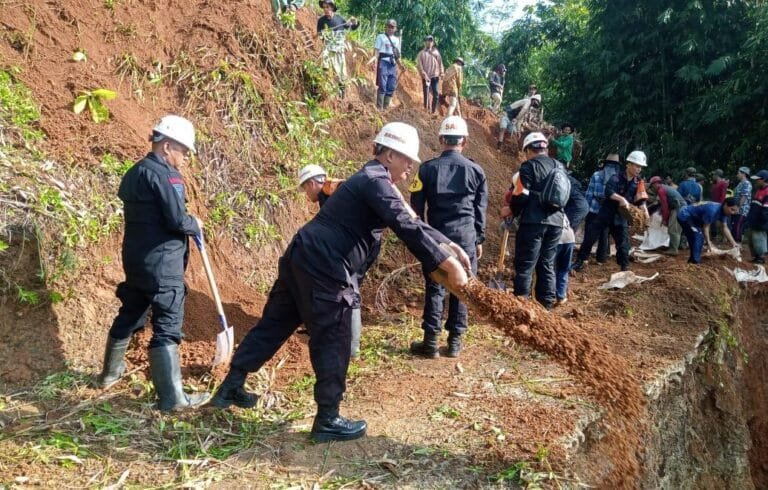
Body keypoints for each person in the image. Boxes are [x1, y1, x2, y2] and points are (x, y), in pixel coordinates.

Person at [212, 122, 470, 443]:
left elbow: (411, 218)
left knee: (275, 324)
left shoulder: (371, 179)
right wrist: (449, 268)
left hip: (302, 255)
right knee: (335, 334)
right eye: (407, 160)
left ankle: (230, 387)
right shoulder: (375, 181)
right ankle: (328, 419)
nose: (410, 169)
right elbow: (405, 224)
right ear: (389, 154)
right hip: (325, 266)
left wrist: (446, 245)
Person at [95, 115, 209, 411]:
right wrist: (193, 223)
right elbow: (175, 219)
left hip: (136, 261)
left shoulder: (134, 173)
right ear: (167, 145)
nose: (184, 159)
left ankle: (109, 374)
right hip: (162, 265)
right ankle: (173, 400)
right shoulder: (166, 176)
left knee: (130, 313)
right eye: (183, 152)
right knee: (167, 326)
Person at [409, 116, 488, 358]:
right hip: (466, 237)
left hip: (436, 238)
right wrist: (479, 239)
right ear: (464, 140)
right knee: (463, 287)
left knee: (435, 287)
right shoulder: (477, 170)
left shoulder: (426, 169)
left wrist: (419, 237)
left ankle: (430, 342)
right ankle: (454, 343)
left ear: (441, 139)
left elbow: (416, 208)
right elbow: (480, 209)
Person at [297, 164, 367, 358]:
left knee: (350, 291)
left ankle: (352, 349)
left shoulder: (331, 192)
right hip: (354, 243)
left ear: (312, 183)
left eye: (304, 188)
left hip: (354, 247)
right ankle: (320, 328)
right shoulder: (331, 192)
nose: (305, 193)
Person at [504, 132, 565, 309]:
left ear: (529, 150)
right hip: (556, 222)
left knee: (525, 264)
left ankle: (521, 305)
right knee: (547, 263)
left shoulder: (528, 166)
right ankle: (546, 306)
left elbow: (521, 195)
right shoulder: (559, 166)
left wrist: (511, 210)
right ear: (544, 148)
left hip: (533, 222)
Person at [574, 150, 649, 272]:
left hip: (620, 216)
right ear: (628, 164)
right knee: (590, 237)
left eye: (640, 167)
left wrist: (644, 208)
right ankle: (580, 261)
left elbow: (641, 199)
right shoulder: (616, 178)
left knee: (623, 243)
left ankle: (624, 267)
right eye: (636, 165)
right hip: (606, 213)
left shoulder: (638, 182)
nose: (638, 169)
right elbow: (608, 192)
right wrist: (621, 199)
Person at [555, 174, 589, 306]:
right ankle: (561, 296)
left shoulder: (550, 202)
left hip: (557, 236)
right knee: (563, 267)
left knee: (550, 266)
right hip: (569, 237)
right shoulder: (568, 183)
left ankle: (549, 295)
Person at [583, 154, 621, 264]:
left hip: (594, 209)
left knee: (589, 233)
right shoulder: (618, 178)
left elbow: (589, 194)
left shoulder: (596, 175)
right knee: (604, 235)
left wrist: (586, 208)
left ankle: (584, 257)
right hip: (608, 211)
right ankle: (601, 259)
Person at [317, 0, 358, 99]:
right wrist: (322, 34)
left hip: (339, 50)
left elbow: (351, 27)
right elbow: (319, 35)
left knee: (341, 75)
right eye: (324, 7)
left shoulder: (339, 19)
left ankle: (341, 97)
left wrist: (355, 22)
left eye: (327, 7)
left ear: (332, 7)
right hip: (328, 48)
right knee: (325, 68)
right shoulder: (321, 21)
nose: (325, 10)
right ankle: (324, 91)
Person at [677, 198, 740, 264]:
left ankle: (693, 260)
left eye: (734, 211)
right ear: (725, 205)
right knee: (697, 236)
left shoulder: (724, 212)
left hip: (695, 219)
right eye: (732, 209)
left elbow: (725, 227)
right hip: (685, 214)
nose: (732, 213)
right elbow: (706, 227)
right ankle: (694, 262)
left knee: (698, 237)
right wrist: (709, 243)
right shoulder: (713, 210)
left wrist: (733, 243)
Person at [649, 176, 687, 256]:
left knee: (674, 229)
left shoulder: (661, 190)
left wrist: (664, 219)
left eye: (652, 186)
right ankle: (672, 246)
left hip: (679, 208)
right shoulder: (665, 188)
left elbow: (665, 206)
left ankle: (673, 250)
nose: (652, 189)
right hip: (678, 207)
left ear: (656, 184)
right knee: (674, 229)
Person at [370, 19, 402, 110]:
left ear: (395, 29)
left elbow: (397, 54)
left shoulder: (396, 40)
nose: (390, 28)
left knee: (391, 86)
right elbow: (376, 51)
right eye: (388, 26)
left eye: (392, 27)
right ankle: (379, 108)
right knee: (382, 85)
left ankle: (386, 108)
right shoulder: (381, 37)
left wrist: (400, 64)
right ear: (386, 27)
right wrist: (374, 61)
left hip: (392, 63)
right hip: (383, 62)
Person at [745, 169, 768, 264]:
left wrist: (761, 221)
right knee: (751, 239)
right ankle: (756, 256)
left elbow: (766, 210)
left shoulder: (767, 192)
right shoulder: (758, 190)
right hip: (753, 220)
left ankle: (761, 257)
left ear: (764, 179)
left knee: (759, 239)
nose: (756, 181)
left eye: (758, 179)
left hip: (760, 222)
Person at [416, 35, 443, 113]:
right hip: (426, 77)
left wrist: (442, 72)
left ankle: (433, 111)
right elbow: (419, 66)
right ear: (425, 42)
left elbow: (440, 63)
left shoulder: (436, 52)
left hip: (435, 76)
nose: (429, 42)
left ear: (433, 43)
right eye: (428, 40)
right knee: (426, 95)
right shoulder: (421, 53)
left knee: (436, 94)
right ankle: (426, 111)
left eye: (431, 41)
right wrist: (424, 75)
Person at [731, 166, 752, 242]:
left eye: (738, 173)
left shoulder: (747, 184)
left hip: (742, 210)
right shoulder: (740, 183)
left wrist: (738, 207)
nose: (737, 174)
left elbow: (744, 196)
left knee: (738, 226)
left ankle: (738, 245)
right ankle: (736, 245)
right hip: (737, 209)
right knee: (735, 226)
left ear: (744, 174)